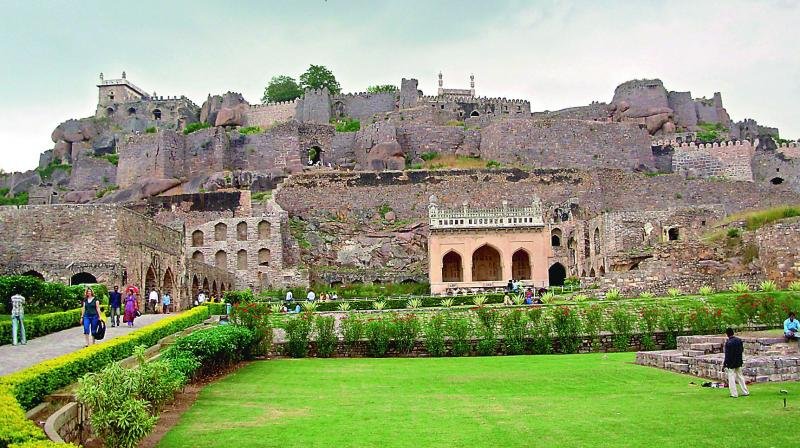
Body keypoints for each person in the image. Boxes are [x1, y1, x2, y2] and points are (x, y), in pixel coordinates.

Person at [723, 327, 749, 398]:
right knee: (740, 376)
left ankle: (734, 393)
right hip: (738, 361)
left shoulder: (728, 343)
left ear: (727, 334)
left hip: (731, 363)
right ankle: (745, 391)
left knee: (731, 378)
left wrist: (725, 364)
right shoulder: (739, 340)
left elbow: (727, 355)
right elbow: (741, 350)